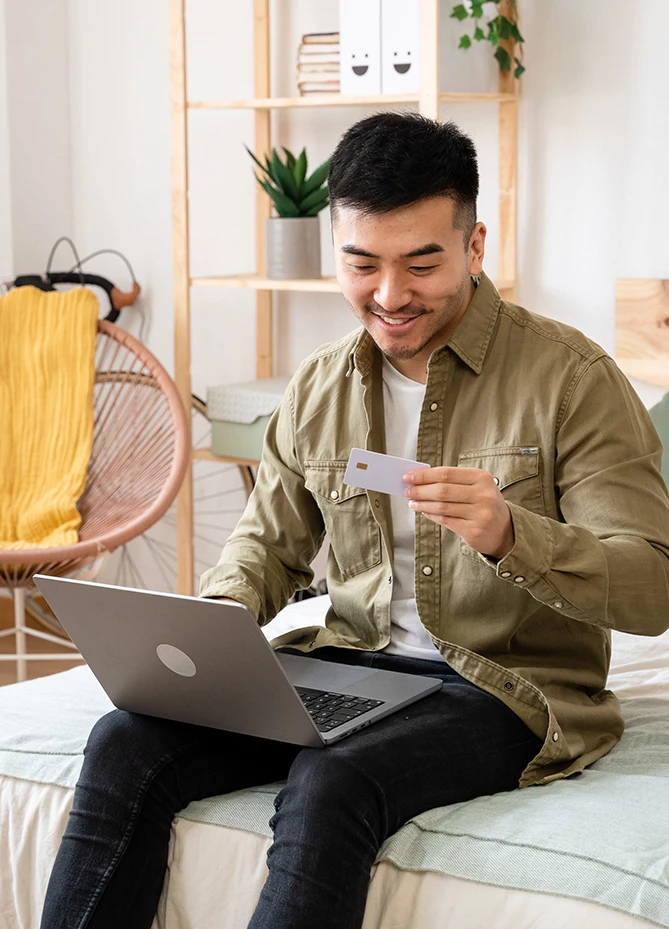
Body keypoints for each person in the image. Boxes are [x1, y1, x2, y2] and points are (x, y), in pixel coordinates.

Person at [40, 112, 669, 929]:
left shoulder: (572, 378)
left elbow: (652, 586)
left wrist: (513, 534)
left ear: (474, 247)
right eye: (361, 262)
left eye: (422, 262)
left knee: (332, 781)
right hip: (350, 662)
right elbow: (267, 542)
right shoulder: (318, 387)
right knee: (125, 740)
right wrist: (219, 620)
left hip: (498, 687)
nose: (389, 294)